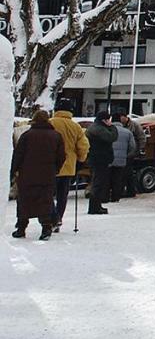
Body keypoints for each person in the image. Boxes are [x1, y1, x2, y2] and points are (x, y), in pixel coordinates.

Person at [10, 110, 65, 240]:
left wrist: (13, 171)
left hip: (27, 175)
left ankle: (21, 228)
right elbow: (61, 156)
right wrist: (55, 169)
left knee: (24, 200)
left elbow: (18, 155)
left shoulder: (27, 135)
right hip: (47, 175)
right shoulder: (56, 136)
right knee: (45, 201)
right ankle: (46, 228)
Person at [49, 99, 88, 232]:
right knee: (62, 195)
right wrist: (81, 160)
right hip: (69, 166)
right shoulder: (75, 127)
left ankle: (52, 217)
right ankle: (58, 217)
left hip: (51, 166)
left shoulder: (50, 123)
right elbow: (83, 146)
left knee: (48, 194)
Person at [84, 110, 117, 215]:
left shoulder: (94, 127)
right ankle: (94, 207)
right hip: (99, 159)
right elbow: (112, 137)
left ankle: (96, 205)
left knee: (97, 182)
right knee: (98, 183)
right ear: (104, 120)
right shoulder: (99, 129)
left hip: (96, 159)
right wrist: (112, 127)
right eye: (108, 119)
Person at [108, 113, 138, 203]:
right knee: (118, 179)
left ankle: (105, 196)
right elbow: (133, 146)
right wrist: (126, 155)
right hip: (121, 160)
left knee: (107, 178)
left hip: (108, 159)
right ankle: (116, 197)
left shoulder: (107, 130)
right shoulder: (127, 132)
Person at [118, 113, 147, 197]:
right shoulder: (121, 125)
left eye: (123, 118)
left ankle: (128, 190)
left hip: (131, 151)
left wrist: (141, 149)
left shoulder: (134, 125)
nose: (122, 120)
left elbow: (141, 137)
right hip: (123, 151)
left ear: (126, 117)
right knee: (127, 172)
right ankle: (129, 190)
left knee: (127, 171)